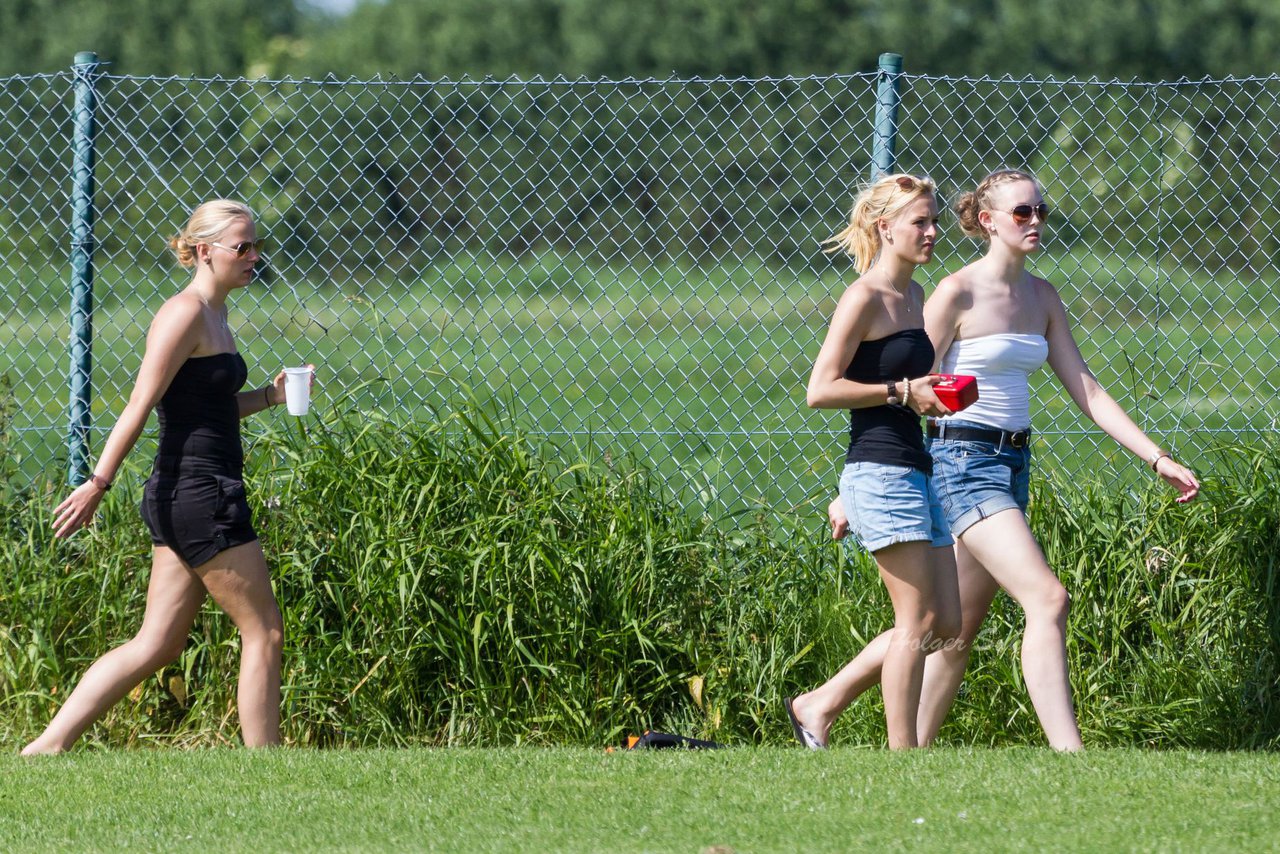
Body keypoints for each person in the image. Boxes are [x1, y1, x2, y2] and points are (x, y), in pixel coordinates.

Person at [810, 169, 1200, 751]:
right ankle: (1072, 756)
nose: (1036, 220)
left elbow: (1085, 388)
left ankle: (842, 715)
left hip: (1012, 464)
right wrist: (856, 487)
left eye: (1041, 210)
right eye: (1023, 212)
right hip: (962, 463)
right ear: (988, 220)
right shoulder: (951, 292)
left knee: (951, 631)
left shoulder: (1043, 296)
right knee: (1047, 598)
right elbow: (911, 382)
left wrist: (1156, 457)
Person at [22, 200, 300, 754]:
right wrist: (96, 485)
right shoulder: (185, 313)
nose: (253, 257)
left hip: (188, 493)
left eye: (256, 246)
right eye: (241, 247)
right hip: (200, 493)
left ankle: (45, 748)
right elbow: (140, 406)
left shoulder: (215, 315)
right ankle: (269, 768)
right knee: (263, 629)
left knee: (157, 642)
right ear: (204, 251)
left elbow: (207, 410)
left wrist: (270, 396)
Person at [788, 173, 961, 750]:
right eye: (921, 222)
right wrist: (900, 392)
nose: (933, 232)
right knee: (914, 625)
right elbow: (820, 389)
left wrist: (936, 394)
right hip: (880, 469)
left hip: (917, 464)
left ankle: (821, 703)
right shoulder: (864, 296)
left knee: (946, 624)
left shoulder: (915, 295)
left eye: (934, 221)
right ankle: (901, 758)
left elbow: (910, 380)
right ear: (885, 229)